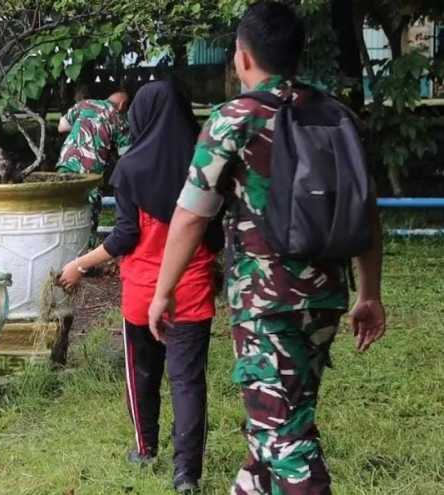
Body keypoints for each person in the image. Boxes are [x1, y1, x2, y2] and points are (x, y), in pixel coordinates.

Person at [148, 3, 386, 493]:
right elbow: (365, 211)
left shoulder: (235, 118)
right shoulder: (336, 116)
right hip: (324, 298)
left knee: (283, 436)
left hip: (266, 302)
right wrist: (370, 293)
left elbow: (192, 214)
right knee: (277, 424)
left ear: (243, 57)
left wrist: (163, 291)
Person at [58, 80, 220, 493]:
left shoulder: (129, 168)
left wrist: (79, 264)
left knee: (142, 374)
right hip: (193, 289)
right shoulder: (207, 165)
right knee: (188, 381)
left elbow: (124, 236)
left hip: (143, 292)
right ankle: (187, 473)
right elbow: (216, 235)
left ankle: (145, 449)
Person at [55, 90, 131, 248]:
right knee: (89, 208)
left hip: (67, 161)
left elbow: (62, 127)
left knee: (63, 201)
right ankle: (85, 248)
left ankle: (61, 244)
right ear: (122, 105)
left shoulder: (85, 104)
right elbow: (126, 154)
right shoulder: (118, 116)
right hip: (90, 169)